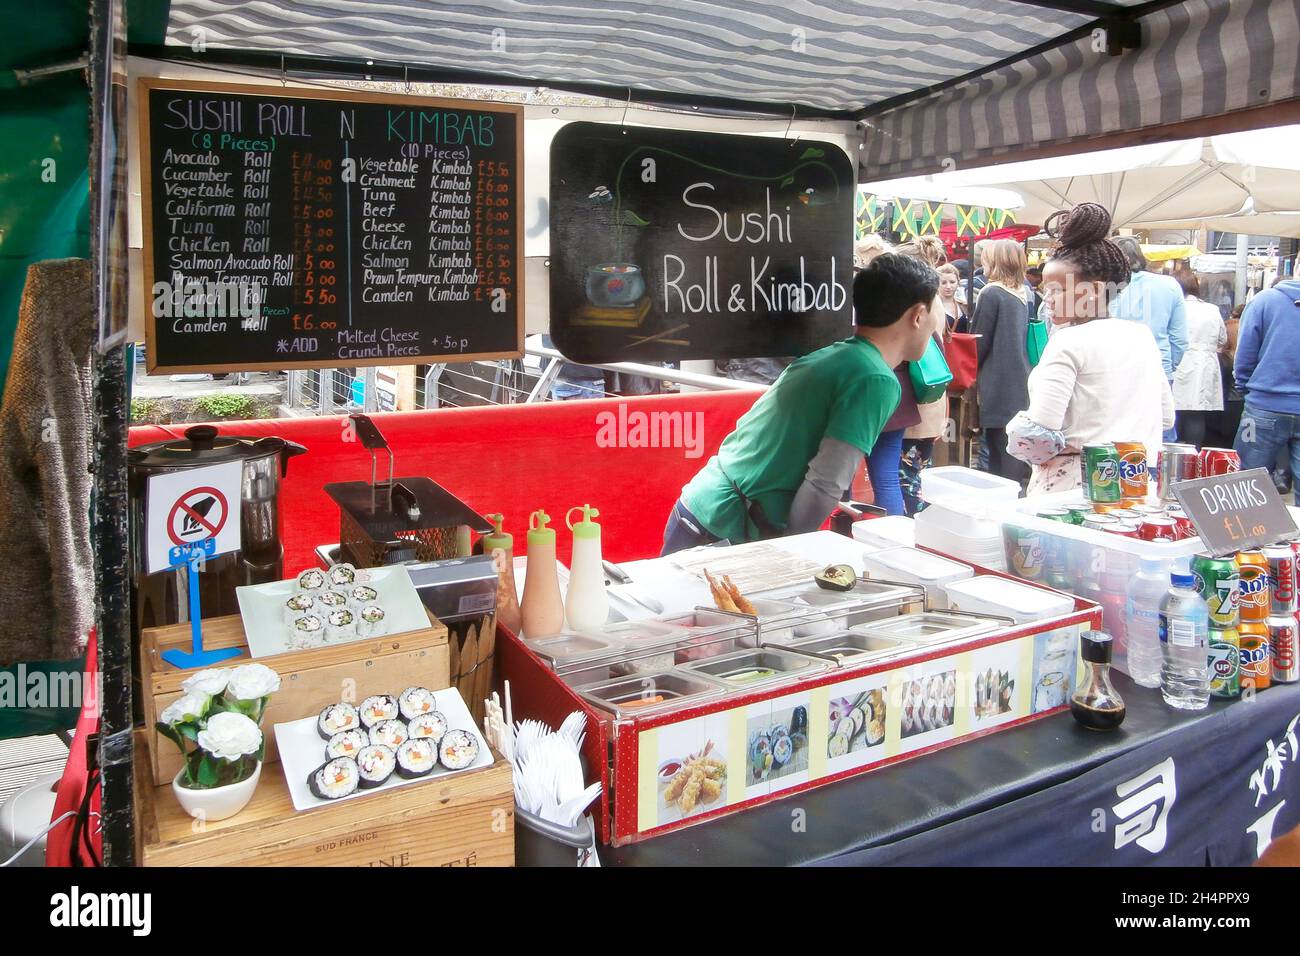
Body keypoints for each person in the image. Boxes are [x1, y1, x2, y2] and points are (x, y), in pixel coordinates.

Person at [660, 254, 939, 555]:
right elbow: (825, 483)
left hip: (705, 508)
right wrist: (789, 555)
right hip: (725, 528)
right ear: (919, 315)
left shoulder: (837, 354)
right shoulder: (875, 378)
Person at [1005, 203, 1174, 494]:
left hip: (1072, 490)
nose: (1048, 299)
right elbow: (1167, 416)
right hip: (1136, 484)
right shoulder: (1141, 336)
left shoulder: (1068, 341)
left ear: (1094, 290)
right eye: (1046, 290)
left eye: (1057, 290)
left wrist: (1014, 433)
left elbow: (1038, 434)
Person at [1110, 236, 1188, 441]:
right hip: (1158, 368)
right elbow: (1179, 338)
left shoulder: (1102, 288)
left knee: (1113, 434)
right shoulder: (1169, 285)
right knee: (1161, 433)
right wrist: (1169, 365)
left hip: (1111, 369)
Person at [1233, 272, 1300, 504]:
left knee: (1244, 483)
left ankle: (1244, 535)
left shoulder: (1264, 301)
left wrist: (1246, 389)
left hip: (1261, 409)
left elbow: (1244, 355)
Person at [969, 238, 1032, 484]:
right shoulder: (1023, 293)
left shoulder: (991, 292)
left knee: (997, 452)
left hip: (996, 380)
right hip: (1020, 377)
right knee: (1011, 450)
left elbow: (978, 343)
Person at [1170, 269, 1226, 449]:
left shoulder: (1175, 307)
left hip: (1178, 361)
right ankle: (1195, 455)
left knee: (1174, 411)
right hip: (1204, 365)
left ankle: (1174, 453)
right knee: (1196, 413)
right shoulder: (1212, 309)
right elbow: (1222, 339)